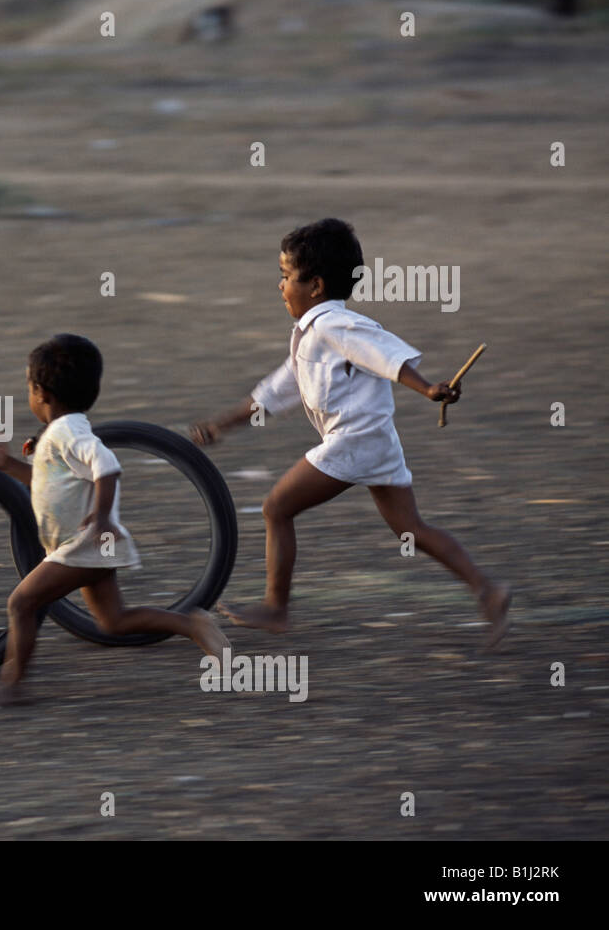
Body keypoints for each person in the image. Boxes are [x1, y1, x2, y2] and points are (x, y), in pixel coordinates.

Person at [190, 218, 511, 647]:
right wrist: (221, 425)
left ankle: (276, 607)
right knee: (410, 529)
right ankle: (488, 589)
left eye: (286, 277)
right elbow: (276, 391)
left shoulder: (331, 325)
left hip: (354, 442)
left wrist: (428, 388)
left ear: (316, 286)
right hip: (376, 442)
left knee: (276, 509)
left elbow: (383, 353)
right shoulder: (311, 335)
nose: (280, 286)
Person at [0, 333, 230, 706]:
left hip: (83, 544)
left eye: (27, 387)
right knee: (113, 621)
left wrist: (102, 519)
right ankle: (192, 623)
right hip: (90, 544)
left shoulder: (66, 431)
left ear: (41, 393)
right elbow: (46, 483)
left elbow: (107, 465)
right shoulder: (63, 432)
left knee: (21, 604)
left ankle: (12, 685)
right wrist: (5, 464)